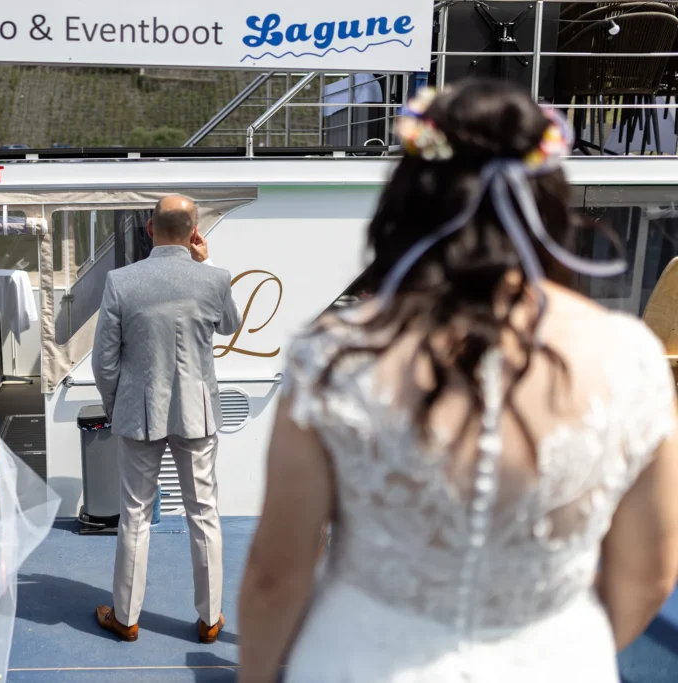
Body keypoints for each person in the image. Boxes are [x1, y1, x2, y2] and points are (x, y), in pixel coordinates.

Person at [238, 79, 678, 682]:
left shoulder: (336, 354)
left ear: (409, 202)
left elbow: (275, 573)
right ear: (548, 204)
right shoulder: (631, 357)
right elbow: (649, 573)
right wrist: (552, 647)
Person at [92, 195, 241, 644]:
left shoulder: (121, 281)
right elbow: (230, 324)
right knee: (204, 513)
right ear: (195, 231)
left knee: (135, 514)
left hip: (139, 412)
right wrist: (206, 259)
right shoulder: (214, 279)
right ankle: (211, 618)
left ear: (150, 228)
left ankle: (127, 616)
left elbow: (104, 360)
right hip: (196, 414)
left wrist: (118, 402)